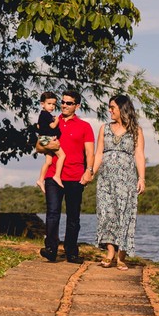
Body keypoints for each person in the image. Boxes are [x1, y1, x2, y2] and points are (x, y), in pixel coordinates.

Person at [38, 89, 95, 264]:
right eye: (62, 102)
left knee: (73, 216)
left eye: (69, 103)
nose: (63, 105)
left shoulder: (85, 126)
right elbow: (39, 147)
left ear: (77, 106)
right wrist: (49, 145)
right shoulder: (51, 121)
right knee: (52, 213)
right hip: (53, 175)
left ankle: (71, 251)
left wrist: (89, 171)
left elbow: (89, 152)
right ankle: (51, 249)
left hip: (75, 176)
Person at [93, 94, 146, 270]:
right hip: (106, 179)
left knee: (124, 216)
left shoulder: (136, 130)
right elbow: (99, 153)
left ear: (122, 109)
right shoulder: (104, 128)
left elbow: (139, 154)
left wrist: (142, 178)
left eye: (112, 107)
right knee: (107, 214)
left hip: (126, 180)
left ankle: (121, 257)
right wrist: (91, 172)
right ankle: (109, 253)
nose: (109, 110)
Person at [34, 91, 66, 190]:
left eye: (53, 104)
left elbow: (39, 126)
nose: (52, 106)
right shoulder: (47, 115)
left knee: (48, 161)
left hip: (43, 138)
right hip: (47, 139)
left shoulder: (41, 115)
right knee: (62, 155)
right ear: (42, 104)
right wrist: (56, 120)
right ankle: (57, 175)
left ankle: (40, 179)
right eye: (49, 104)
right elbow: (52, 126)